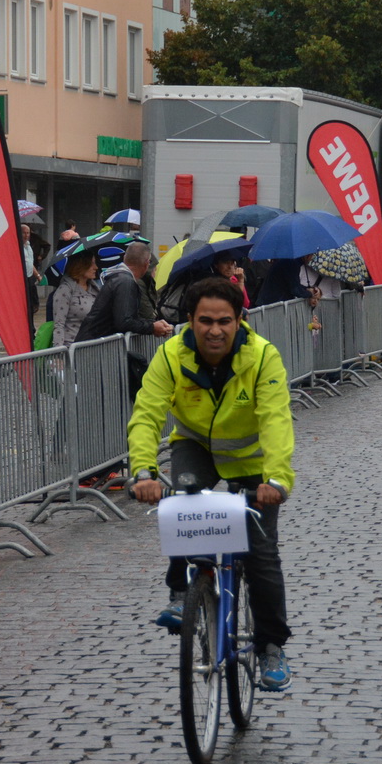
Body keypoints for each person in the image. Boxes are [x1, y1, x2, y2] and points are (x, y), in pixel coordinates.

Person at [129, 277, 296, 692]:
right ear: (189, 321)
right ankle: (181, 592)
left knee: (261, 553)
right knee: (185, 503)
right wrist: (144, 472)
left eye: (225, 321)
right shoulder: (171, 355)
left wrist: (278, 478)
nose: (215, 330)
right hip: (196, 447)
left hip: (253, 460)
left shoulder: (262, 357)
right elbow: (147, 413)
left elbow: (276, 419)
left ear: (240, 320)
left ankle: (272, 646)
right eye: (205, 321)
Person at [79, 242, 172, 396]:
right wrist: (152, 327)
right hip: (93, 351)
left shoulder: (119, 278)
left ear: (124, 258)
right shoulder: (126, 282)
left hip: (92, 347)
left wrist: (151, 324)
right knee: (90, 398)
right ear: (146, 264)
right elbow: (124, 321)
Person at [47, 251, 100, 347]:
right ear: (81, 265)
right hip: (71, 349)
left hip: (92, 348)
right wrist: (59, 354)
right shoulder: (65, 290)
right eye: (92, 263)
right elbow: (59, 325)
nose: (96, 267)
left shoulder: (95, 289)